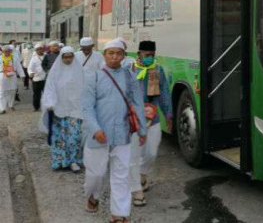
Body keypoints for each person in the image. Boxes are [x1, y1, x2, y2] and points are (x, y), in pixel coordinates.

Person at [82, 39, 146, 223]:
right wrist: (95, 129)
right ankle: (92, 196)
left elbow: (137, 104)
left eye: (119, 53)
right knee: (96, 174)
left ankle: (119, 214)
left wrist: (142, 129)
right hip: (99, 136)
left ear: (124, 56)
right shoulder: (93, 76)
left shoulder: (129, 77)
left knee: (120, 175)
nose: (115, 57)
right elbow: (86, 107)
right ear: (104, 55)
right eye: (111, 53)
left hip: (122, 134)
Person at [128, 41, 172, 207]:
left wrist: (168, 114)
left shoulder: (157, 70)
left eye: (152, 55)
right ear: (139, 54)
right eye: (146, 55)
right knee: (134, 155)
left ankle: (143, 174)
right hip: (133, 119)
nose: (149, 58)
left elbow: (165, 93)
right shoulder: (130, 69)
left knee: (151, 152)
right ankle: (136, 191)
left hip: (152, 118)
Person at [42, 47, 85, 172]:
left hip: (75, 109)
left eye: (70, 56)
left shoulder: (79, 71)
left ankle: (74, 161)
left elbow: (85, 88)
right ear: (61, 57)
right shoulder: (55, 71)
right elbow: (49, 88)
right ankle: (60, 161)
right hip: (58, 109)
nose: (68, 59)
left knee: (74, 136)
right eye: (65, 57)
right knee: (59, 137)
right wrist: (49, 102)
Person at [1, 44, 25, 114]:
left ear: (10, 51)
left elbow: (19, 67)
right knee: (2, 92)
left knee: (12, 91)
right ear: (2, 51)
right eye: (5, 51)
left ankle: (10, 105)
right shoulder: (0, 58)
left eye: (8, 51)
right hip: (2, 76)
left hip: (12, 76)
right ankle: (2, 108)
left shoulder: (14, 58)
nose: (6, 52)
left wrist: (22, 75)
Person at [28, 44, 47, 111]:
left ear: (43, 49)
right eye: (37, 49)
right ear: (35, 51)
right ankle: (36, 107)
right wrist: (31, 73)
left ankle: (47, 106)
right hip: (37, 79)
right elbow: (30, 68)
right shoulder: (34, 58)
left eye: (40, 49)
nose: (39, 50)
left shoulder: (46, 56)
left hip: (46, 78)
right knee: (36, 94)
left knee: (47, 93)